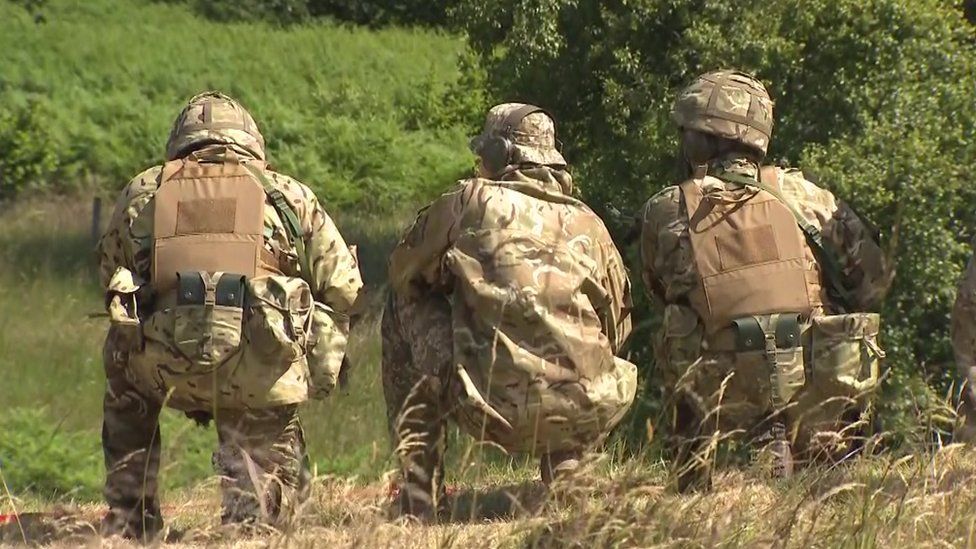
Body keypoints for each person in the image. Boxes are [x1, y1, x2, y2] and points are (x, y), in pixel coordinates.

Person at [96, 91, 362, 540]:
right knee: (266, 520)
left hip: (163, 366)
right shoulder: (288, 194)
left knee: (121, 354)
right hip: (259, 369)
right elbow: (344, 287)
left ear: (182, 140)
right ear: (250, 140)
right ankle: (253, 519)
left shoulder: (145, 191)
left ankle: (132, 517)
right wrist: (315, 369)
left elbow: (109, 273)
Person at [383, 103, 637, 518]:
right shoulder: (589, 222)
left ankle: (420, 490)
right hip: (587, 406)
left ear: (499, 155)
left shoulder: (470, 200)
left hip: (491, 408)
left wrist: (463, 288)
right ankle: (568, 467)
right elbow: (620, 325)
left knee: (401, 301)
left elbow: (403, 270)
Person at [639, 70, 888, 491]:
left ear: (705, 139)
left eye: (688, 131)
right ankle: (829, 463)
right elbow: (873, 282)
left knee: (676, 324)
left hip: (717, 395)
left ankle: (693, 473)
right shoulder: (808, 198)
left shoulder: (666, 209)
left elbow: (657, 292)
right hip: (809, 389)